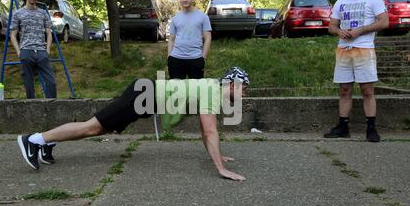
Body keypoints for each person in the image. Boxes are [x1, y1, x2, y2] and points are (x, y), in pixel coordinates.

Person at [17, 67, 250, 181]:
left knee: (98, 128)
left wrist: (218, 157)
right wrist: (220, 168)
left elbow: (205, 129)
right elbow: (210, 131)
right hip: (143, 95)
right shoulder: (212, 92)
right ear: (231, 84)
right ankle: (35, 139)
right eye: (243, 88)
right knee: (93, 127)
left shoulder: (211, 89)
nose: (245, 94)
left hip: (145, 96)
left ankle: (47, 142)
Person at [324, 0, 388, 142]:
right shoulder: (340, 2)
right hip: (343, 49)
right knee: (344, 90)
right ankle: (343, 127)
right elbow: (331, 26)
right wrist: (339, 32)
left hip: (364, 48)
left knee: (367, 90)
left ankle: (371, 128)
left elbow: (384, 22)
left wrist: (361, 30)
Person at [10, 0, 57, 99]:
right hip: (26, 51)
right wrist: (18, 52)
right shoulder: (18, 13)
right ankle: (32, 109)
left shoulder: (43, 13)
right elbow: (12, 35)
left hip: (41, 51)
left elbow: (49, 33)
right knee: (29, 85)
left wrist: (47, 50)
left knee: (51, 83)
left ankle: (52, 108)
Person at [167, 0, 212, 79]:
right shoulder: (176, 18)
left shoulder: (203, 17)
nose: (185, 0)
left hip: (195, 59)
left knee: (195, 91)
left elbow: (208, 38)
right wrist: (169, 57)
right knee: (177, 91)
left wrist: (203, 57)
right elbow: (171, 39)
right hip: (176, 59)